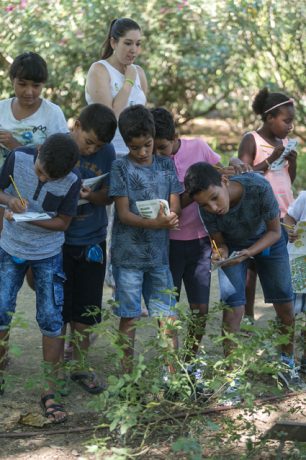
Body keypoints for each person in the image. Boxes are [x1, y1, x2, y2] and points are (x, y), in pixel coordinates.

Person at [184, 162, 302, 389]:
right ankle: (232, 377)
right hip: (235, 247)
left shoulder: (258, 187)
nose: (213, 207)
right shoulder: (204, 207)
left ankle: (287, 363)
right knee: (232, 308)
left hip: (269, 242)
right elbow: (219, 242)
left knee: (285, 305)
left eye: (215, 198)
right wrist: (221, 254)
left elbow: (275, 231)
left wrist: (248, 253)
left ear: (224, 181)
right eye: (205, 205)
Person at [0, 133, 81, 423]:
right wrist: (10, 201)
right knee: (0, 309)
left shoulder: (73, 180)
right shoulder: (19, 156)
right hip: (10, 249)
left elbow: (62, 223)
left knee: (50, 318)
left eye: (50, 178)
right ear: (38, 151)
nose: (43, 179)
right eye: (39, 172)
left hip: (47, 254)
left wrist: (29, 217)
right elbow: (0, 191)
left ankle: (50, 391)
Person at [109, 105, 182, 374]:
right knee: (129, 317)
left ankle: (171, 374)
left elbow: (176, 200)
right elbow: (123, 213)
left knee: (167, 315)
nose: (142, 153)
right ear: (126, 143)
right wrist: (156, 222)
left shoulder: (166, 164)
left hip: (158, 256)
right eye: (135, 147)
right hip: (127, 257)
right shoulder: (120, 167)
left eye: (148, 145)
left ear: (154, 137)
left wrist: (172, 216)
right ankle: (126, 376)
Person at [151, 107, 223, 362]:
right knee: (167, 309)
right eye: (153, 148)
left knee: (200, 308)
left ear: (174, 137)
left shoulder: (199, 148)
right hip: (168, 245)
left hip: (200, 242)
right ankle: (171, 366)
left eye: (162, 147)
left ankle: (190, 361)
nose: (158, 154)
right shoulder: (151, 162)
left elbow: (218, 173)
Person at [85, 17, 148, 287]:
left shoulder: (140, 72)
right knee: (110, 222)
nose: (133, 50)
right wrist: (127, 83)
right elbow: (108, 119)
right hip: (110, 154)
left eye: (138, 44)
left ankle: (127, 286)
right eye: (127, 43)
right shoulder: (99, 70)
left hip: (137, 157)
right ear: (113, 42)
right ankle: (107, 280)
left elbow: (144, 118)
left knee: (135, 220)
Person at [62, 104, 117, 393]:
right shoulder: (59, 146)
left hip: (92, 238)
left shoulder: (107, 154)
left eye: (98, 145)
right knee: (59, 305)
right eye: (88, 142)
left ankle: (81, 365)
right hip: (59, 240)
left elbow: (108, 196)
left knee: (88, 306)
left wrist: (91, 195)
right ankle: (55, 367)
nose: (91, 149)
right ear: (77, 126)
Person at [238, 88, 296, 323]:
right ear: (270, 118)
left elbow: (287, 179)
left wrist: (292, 163)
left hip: (284, 211)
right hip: (259, 215)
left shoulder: (283, 141)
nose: (290, 126)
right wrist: (270, 159)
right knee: (252, 267)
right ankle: (248, 315)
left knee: (281, 263)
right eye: (286, 120)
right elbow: (242, 176)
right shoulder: (251, 139)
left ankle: (283, 314)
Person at [0, 52, 68, 232]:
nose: (29, 92)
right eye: (22, 84)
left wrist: (16, 146)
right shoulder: (1, 109)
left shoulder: (52, 113)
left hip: (34, 196)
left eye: (36, 86)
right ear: (12, 80)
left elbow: (61, 156)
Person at [284, 191, 306, 373]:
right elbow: (289, 218)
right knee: (288, 314)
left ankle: (304, 361)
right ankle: (286, 358)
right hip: (297, 263)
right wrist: (290, 230)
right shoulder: (305, 197)